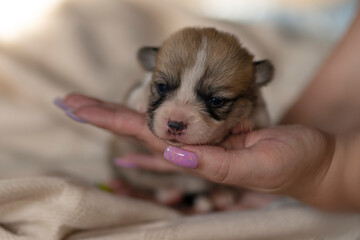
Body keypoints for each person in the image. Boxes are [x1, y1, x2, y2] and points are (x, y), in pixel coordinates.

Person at [57, 9, 360, 211]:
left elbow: (260, 118)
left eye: (215, 101)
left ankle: (198, 193)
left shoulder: (251, 97)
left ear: (254, 88)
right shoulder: (152, 77)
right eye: (162, 88)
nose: (176, 118)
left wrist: (325, 168)